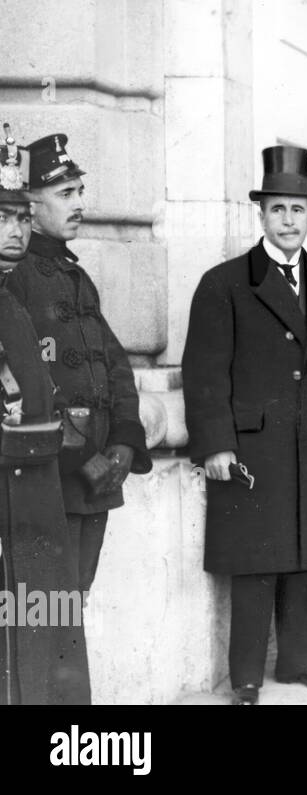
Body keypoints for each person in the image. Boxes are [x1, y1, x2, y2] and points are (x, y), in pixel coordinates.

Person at [183, 145, 307, 705]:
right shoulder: (225, 283)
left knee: (306, 558)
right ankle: (247, 678)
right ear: (261, 215)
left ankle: (300, 663)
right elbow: (204, 371)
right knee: (257, 563)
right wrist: (214, 443)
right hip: (254, 448)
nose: (289, 221)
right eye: (278, 210)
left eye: (298, 210)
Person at [5, 133, 152, 594]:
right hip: (50, 470)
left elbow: (114, 366)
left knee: (75, 595)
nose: (79, 203)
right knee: (41, 603)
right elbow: (20, 385)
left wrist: (126, 438)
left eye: (79, 191)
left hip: (99, 471)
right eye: (65, 194)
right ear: (31, 204)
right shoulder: (14, 277)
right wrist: (83, 457)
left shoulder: (76, 276)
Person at [0, 126, 91, 705]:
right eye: (2, 217)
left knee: (40, 636)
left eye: (17, 217)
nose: (14, 230)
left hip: (30, 493)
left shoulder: (9, 297)